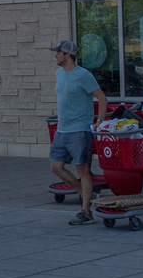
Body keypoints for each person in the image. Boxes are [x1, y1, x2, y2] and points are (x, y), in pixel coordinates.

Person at [45, 40, 108, 226]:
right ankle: (85, 193)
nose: (56, 56)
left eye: (58, 53)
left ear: (68, 55)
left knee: (83, 169)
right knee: (55, 166)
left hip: (79, 130)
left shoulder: (83, 75)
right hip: (62, 130)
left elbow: (102, 98)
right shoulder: (59, 73)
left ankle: (86, 212)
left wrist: (100, 121)